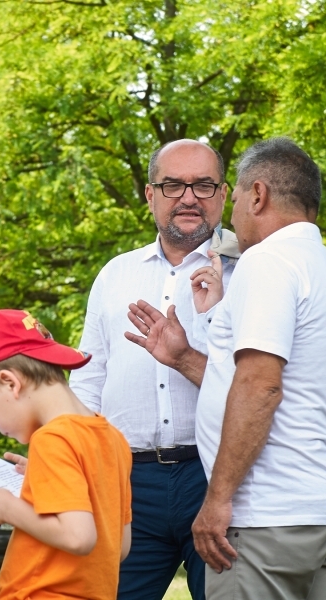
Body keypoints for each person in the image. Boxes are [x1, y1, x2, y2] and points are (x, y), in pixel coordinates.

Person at [126, 138, 326, 600]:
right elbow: (274, 382)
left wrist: (216, 500)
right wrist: (193, 344)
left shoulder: (268, 261)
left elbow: (260, 387)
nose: (232, 215)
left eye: (233, 197)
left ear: (258, 195)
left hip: (269, 516)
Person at [68, 139, 236, 600]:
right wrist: (61, 452)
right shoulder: (115, 275)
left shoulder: (249, 275)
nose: (188, 197)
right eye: (172, 185)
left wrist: (185, 355)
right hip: (127, 483)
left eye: (203, 185)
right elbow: (88, 377)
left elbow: (257, 387)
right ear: (149, 194)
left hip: (217, 479)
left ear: (224, 194)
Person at [0, 307, 132, 600]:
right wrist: (41, 478)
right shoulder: (112, 438)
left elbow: (78, 537)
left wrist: (7, 508)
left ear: (11, 382)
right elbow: (118, 548)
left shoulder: (51, 439)